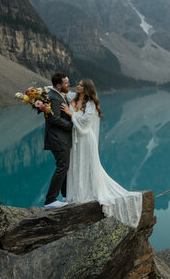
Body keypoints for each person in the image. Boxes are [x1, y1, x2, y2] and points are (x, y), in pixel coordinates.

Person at [61, 79, 142, 228]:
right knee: (75, 164)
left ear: (85, 89)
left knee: (87, 165)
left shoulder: (90, 104)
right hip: (75, 138)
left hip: (86, 139)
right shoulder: (72, 97)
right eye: (77, 84)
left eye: (80, 85)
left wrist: (70, 114)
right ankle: (77, 193)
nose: (77, 86)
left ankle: (86, 192)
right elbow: (58, 92)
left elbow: (86, 122)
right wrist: (40, 93)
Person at [43, 73, 72, 209]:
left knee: (64, 166)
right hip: (58, 139)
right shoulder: (54, 98)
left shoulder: (58, 95)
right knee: (62, 166)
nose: (69, 85)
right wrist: (72, 125)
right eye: (66, 83)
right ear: (58, 86)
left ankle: (66, 195)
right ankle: (50, 200)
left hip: (60, 138)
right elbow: (53, 119)